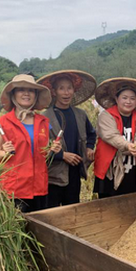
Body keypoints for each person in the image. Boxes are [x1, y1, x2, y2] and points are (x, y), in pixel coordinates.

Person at [0, 74, 61, 213]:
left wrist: (53, 149)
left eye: (31, 90)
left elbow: (42, 152)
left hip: (39, 186)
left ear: (36, 95)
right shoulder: (3, 122)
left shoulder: (43, 121)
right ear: (13, 95)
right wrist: (4, 153)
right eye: (21, 90)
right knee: (17, 225)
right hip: (14, 188)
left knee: (39, 224)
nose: (26, 93)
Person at [37, 70, 97, 207]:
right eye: (61, 88)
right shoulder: (45, 118)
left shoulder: (80, 114)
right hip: (53, 174)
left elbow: (91, 134)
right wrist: (62, 155)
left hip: (74, 171)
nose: (66, 93)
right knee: (52, 211)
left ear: (74, 90)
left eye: (69, 88)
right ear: (54, 92)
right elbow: (40, 147)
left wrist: (89, 147)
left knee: (72, 209)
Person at [93, 77, 136, 198]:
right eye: (124, 98)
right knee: (107, 201)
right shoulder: (106, 115)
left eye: (132, 98)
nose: (128, 101)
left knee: (132, 200)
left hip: (133, 168)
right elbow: (111, 135)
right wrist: (128, 146)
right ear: (116, 99)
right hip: (109, 168)